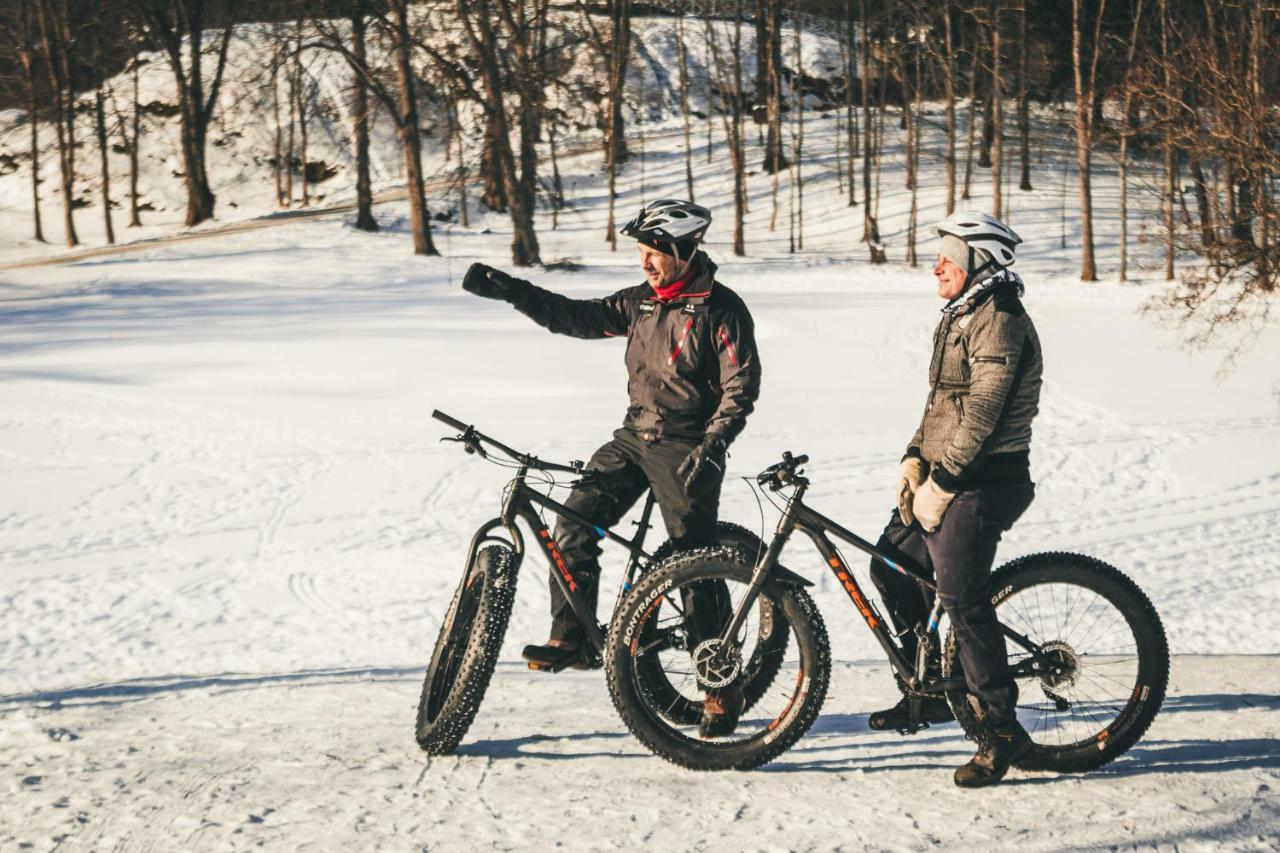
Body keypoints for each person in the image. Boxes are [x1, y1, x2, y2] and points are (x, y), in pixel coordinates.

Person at [460, 199, 761, 737]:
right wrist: (512, 290)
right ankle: (574, 637)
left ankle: (719, 685)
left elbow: (740, 387)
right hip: (632, 436)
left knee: (692, 560)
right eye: (641, 253)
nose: (644, 263)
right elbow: (576, 317)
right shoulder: (641, 304)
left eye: (652, 253)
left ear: (683, 250)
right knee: (573, 519)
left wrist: (714, 444)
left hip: (687, 445)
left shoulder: (721, 308)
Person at [867, 211, 1043, 788]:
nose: (937, 264)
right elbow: (942, 406)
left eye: (949, 255)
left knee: (962, 599)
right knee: (891, 565)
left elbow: (985, 411)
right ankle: (931, 693)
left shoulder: (1001, 319)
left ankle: (1001, 731)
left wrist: (943, 483)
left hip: (987, 478)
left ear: (979, 263)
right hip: (951, 471)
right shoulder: (960, 316)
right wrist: (915, 458)